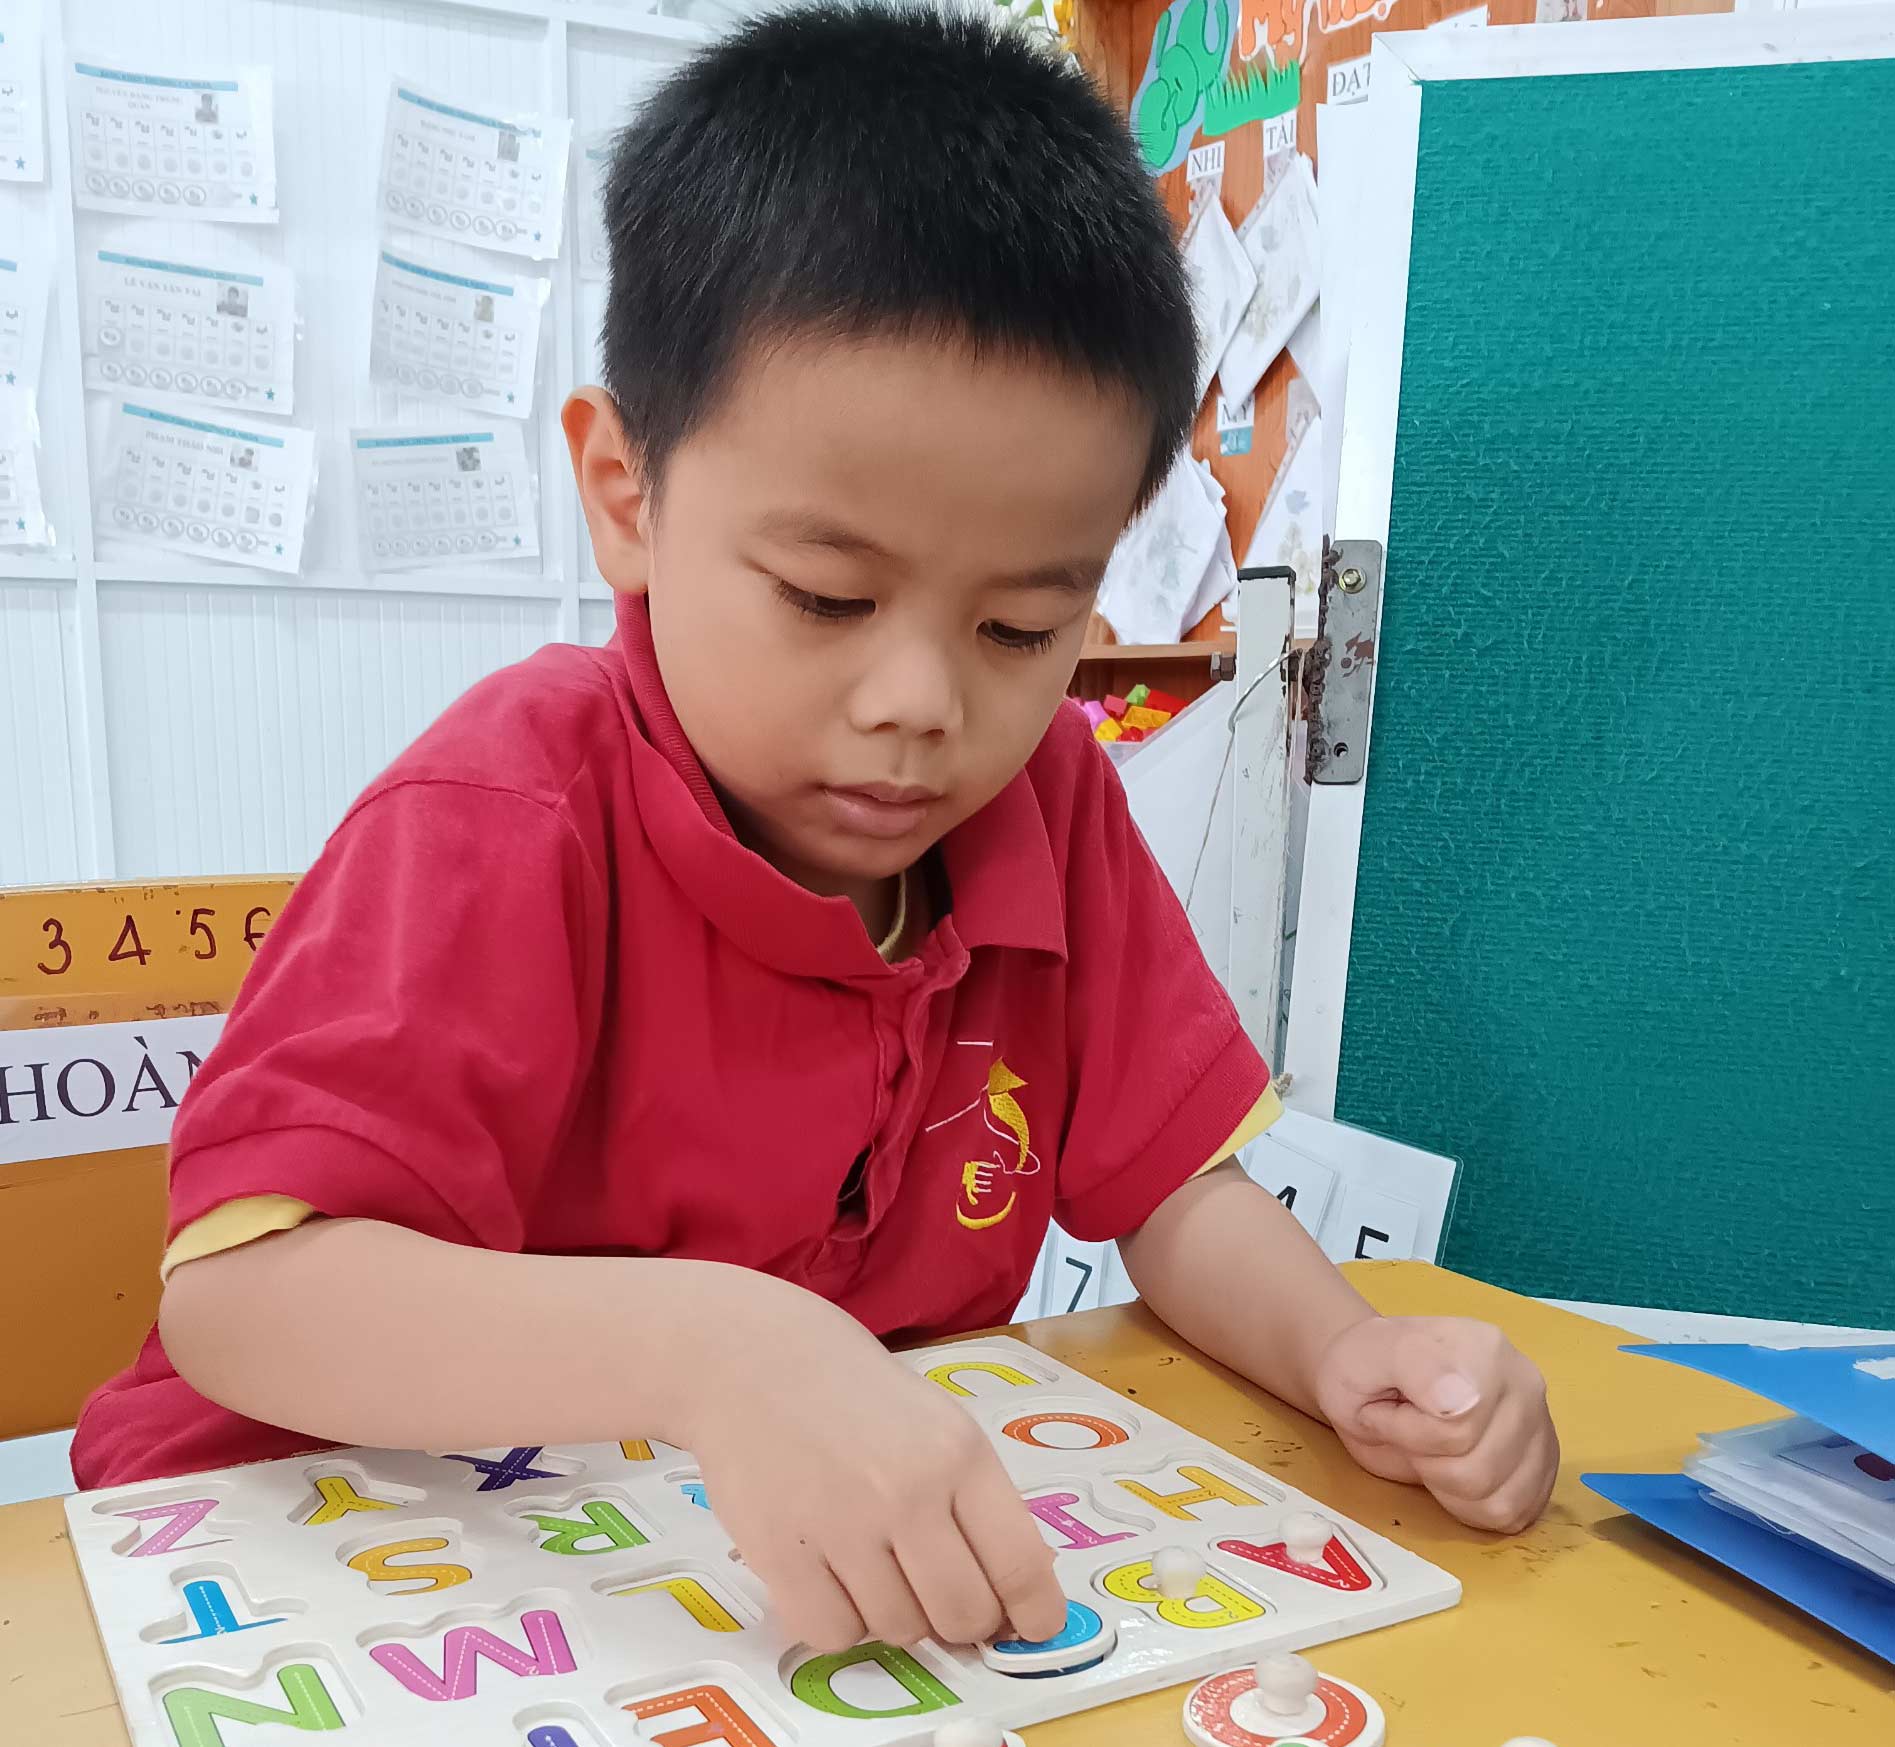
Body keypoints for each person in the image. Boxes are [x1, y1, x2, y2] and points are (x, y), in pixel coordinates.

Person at [73, 4, 1557, 1655]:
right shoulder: (508, 812)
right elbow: (243, 1303)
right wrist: (718, 1346)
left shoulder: (1045, 801)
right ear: (627, 494)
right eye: (830, 596)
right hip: (297, 1577)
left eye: (1020, 627)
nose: (923, 702)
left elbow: (1172, 1183)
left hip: (736, 1590)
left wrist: (1344, 1354)